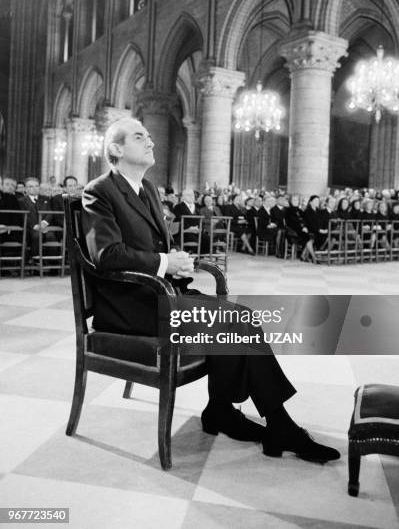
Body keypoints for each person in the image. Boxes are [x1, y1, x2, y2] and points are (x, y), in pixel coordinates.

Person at [81, 117, 340, 464]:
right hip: (130, 305)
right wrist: (163, 262)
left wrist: (177, 261)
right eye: (140, 136)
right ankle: (258, 419)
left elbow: (156, 249)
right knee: (235, 319)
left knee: (238, 318)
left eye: (149, 135)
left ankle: (229, 411)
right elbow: (106, 255)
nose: (151, 142)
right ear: (115, 148)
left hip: (161, 293)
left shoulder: (149, 190)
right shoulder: (100, 190)